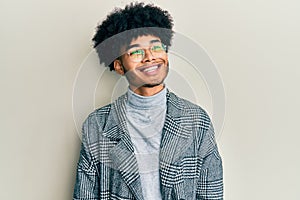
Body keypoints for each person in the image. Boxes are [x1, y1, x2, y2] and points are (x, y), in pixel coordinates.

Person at [73, 2, 223, 200]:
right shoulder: (97, 125)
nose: (149, 57)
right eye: (136, 51)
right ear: (119, 66)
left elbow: (211, 194)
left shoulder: (197, 121)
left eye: (157, 47)